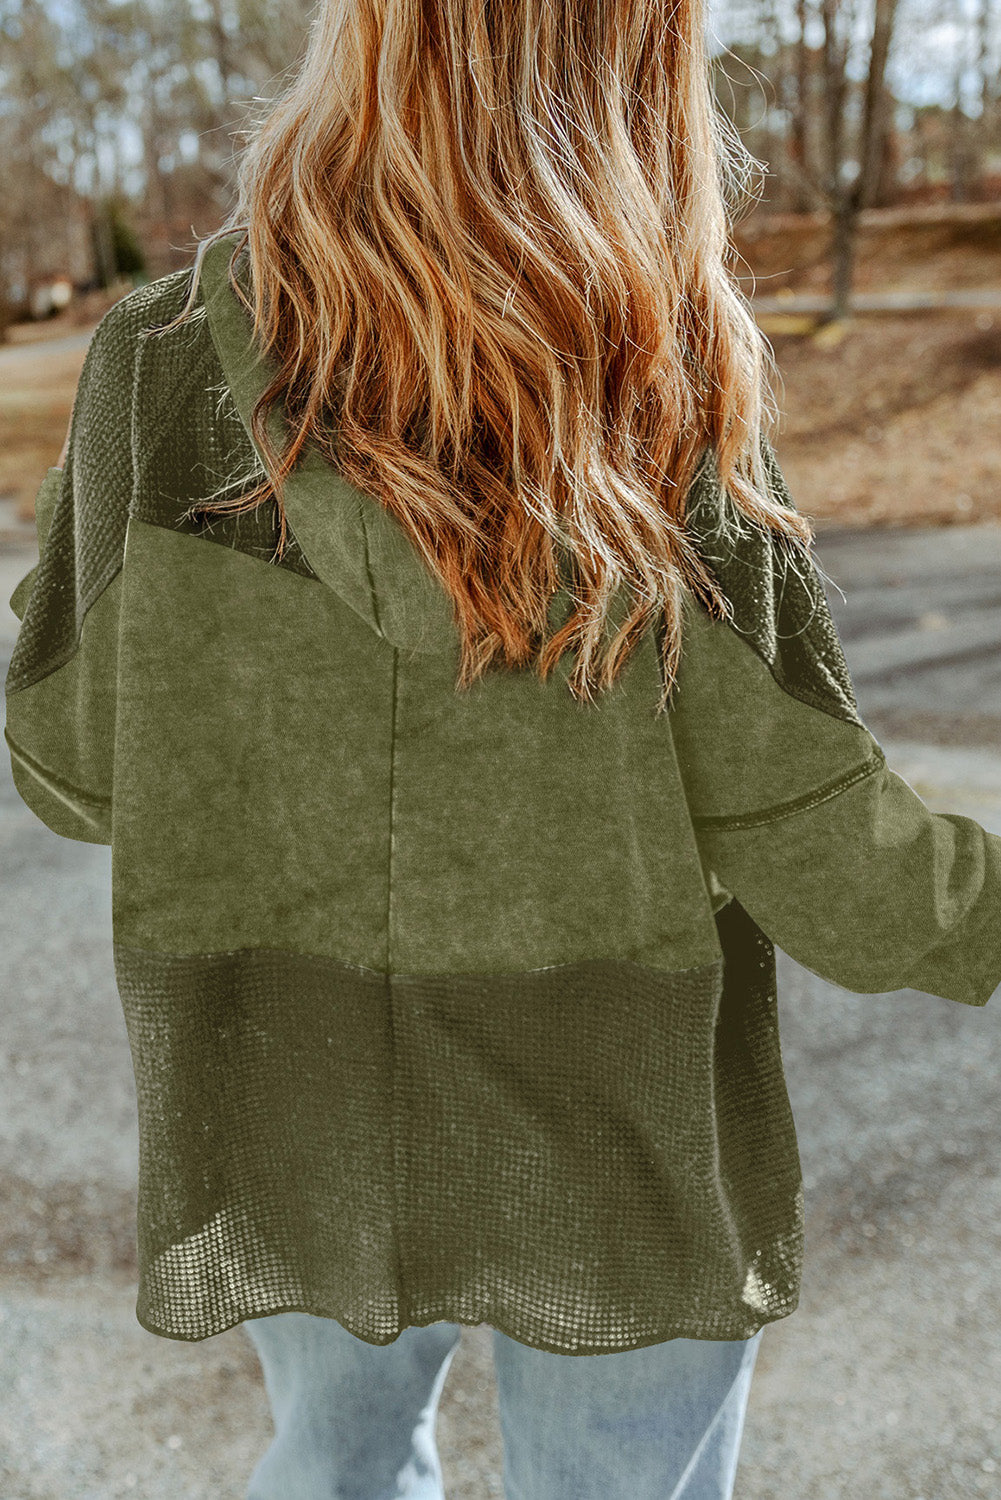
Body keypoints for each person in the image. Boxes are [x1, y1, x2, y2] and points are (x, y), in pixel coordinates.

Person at [5, 0, 1000, 1495]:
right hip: (615, 1108)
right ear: (636, 73)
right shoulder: (657, 394)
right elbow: (819, 844)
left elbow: (69, 763)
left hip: (290, 1082)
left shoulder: (159, 365)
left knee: (332, 1462)